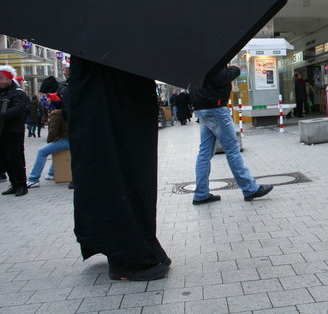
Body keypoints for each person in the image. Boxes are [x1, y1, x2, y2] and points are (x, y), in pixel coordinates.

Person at [69, 56, 170, 281]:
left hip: (123, 76)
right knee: (116, 165)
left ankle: (135, 244)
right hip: (111, 80)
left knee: (130, 167)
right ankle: (126, 256)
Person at [190, 65, 273, 205]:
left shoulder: (194, 57)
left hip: (202, 108)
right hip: (216, 109)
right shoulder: (212, 53)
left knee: (204, 153)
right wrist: (235, 69)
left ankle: (201, 194)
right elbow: (221, 77)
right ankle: (250, 188)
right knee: (232, 150)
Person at [26, 94, 69, 188]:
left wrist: (50, 141)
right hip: (69, 139)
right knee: (55, 148)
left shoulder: (57, 112)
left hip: (66, 139)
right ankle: (51, 172)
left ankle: (33, 179)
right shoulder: (64, 109)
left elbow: (53, 131)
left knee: (42, 151)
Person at [0, 65, 31, 197]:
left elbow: (20, 109)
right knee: (5, 159)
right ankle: (14, 184)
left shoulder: (18, 93)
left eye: (1, 78)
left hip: (14, 131)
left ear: (9, 78)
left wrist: (3, 115)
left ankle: (21, 185)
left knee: (15, 158)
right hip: (2, 131)